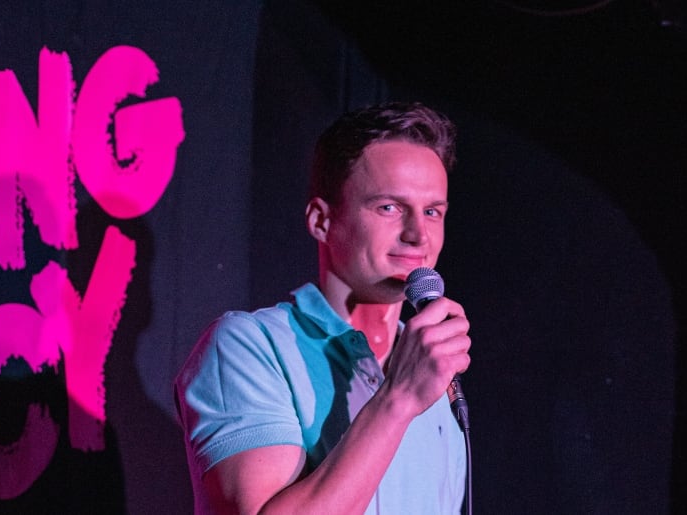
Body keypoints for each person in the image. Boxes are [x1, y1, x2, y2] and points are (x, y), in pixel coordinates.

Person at [174, 101, 472, 514]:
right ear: (321, 220)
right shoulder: (250, 347)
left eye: (432, 212)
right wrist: (398, 399)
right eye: (390, 207)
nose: (417, 234)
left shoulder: (435, 378)